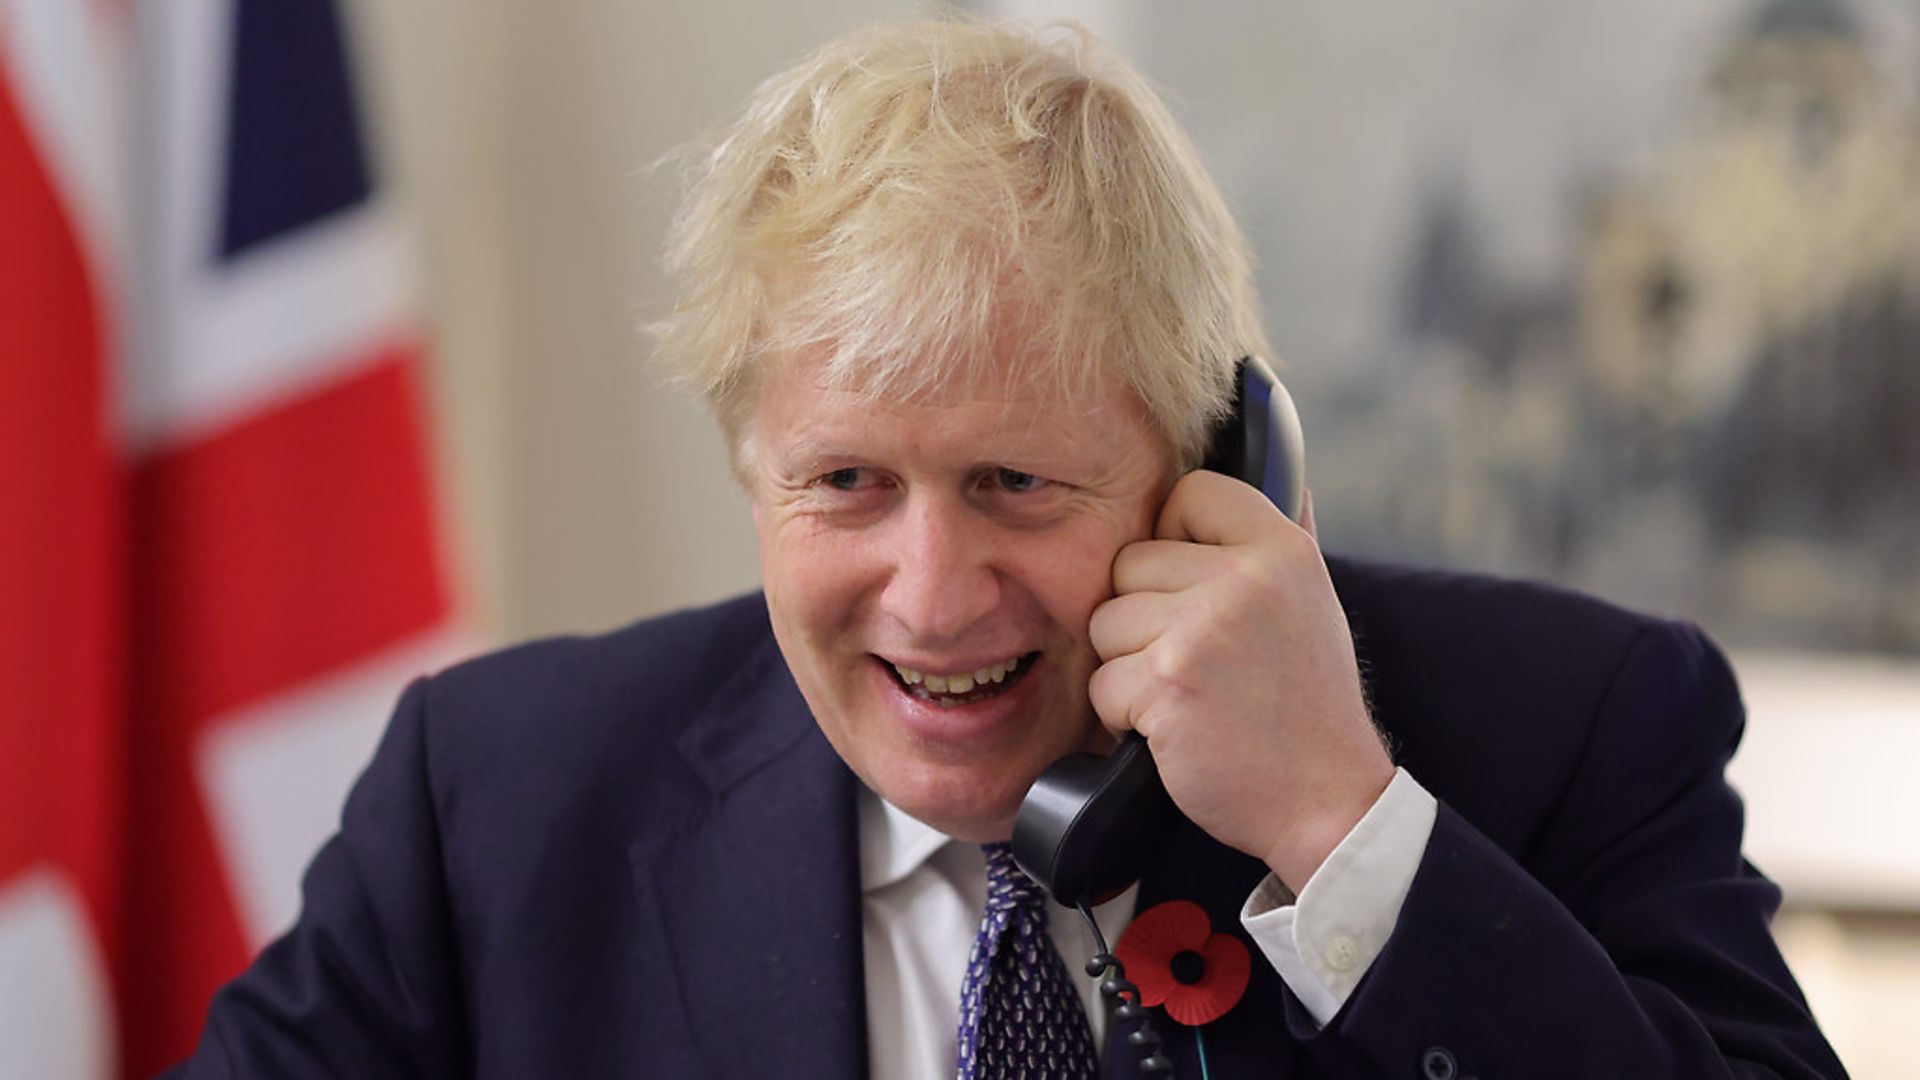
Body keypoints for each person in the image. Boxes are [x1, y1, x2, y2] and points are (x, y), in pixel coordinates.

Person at [169, 17, 1845, 1079]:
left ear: (1214, 475)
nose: (932, 592)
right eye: (843, 482)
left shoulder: (1568, 725)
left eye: (1016, 484)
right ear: (750, 468)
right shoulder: (501, 796)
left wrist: (1343, 831)